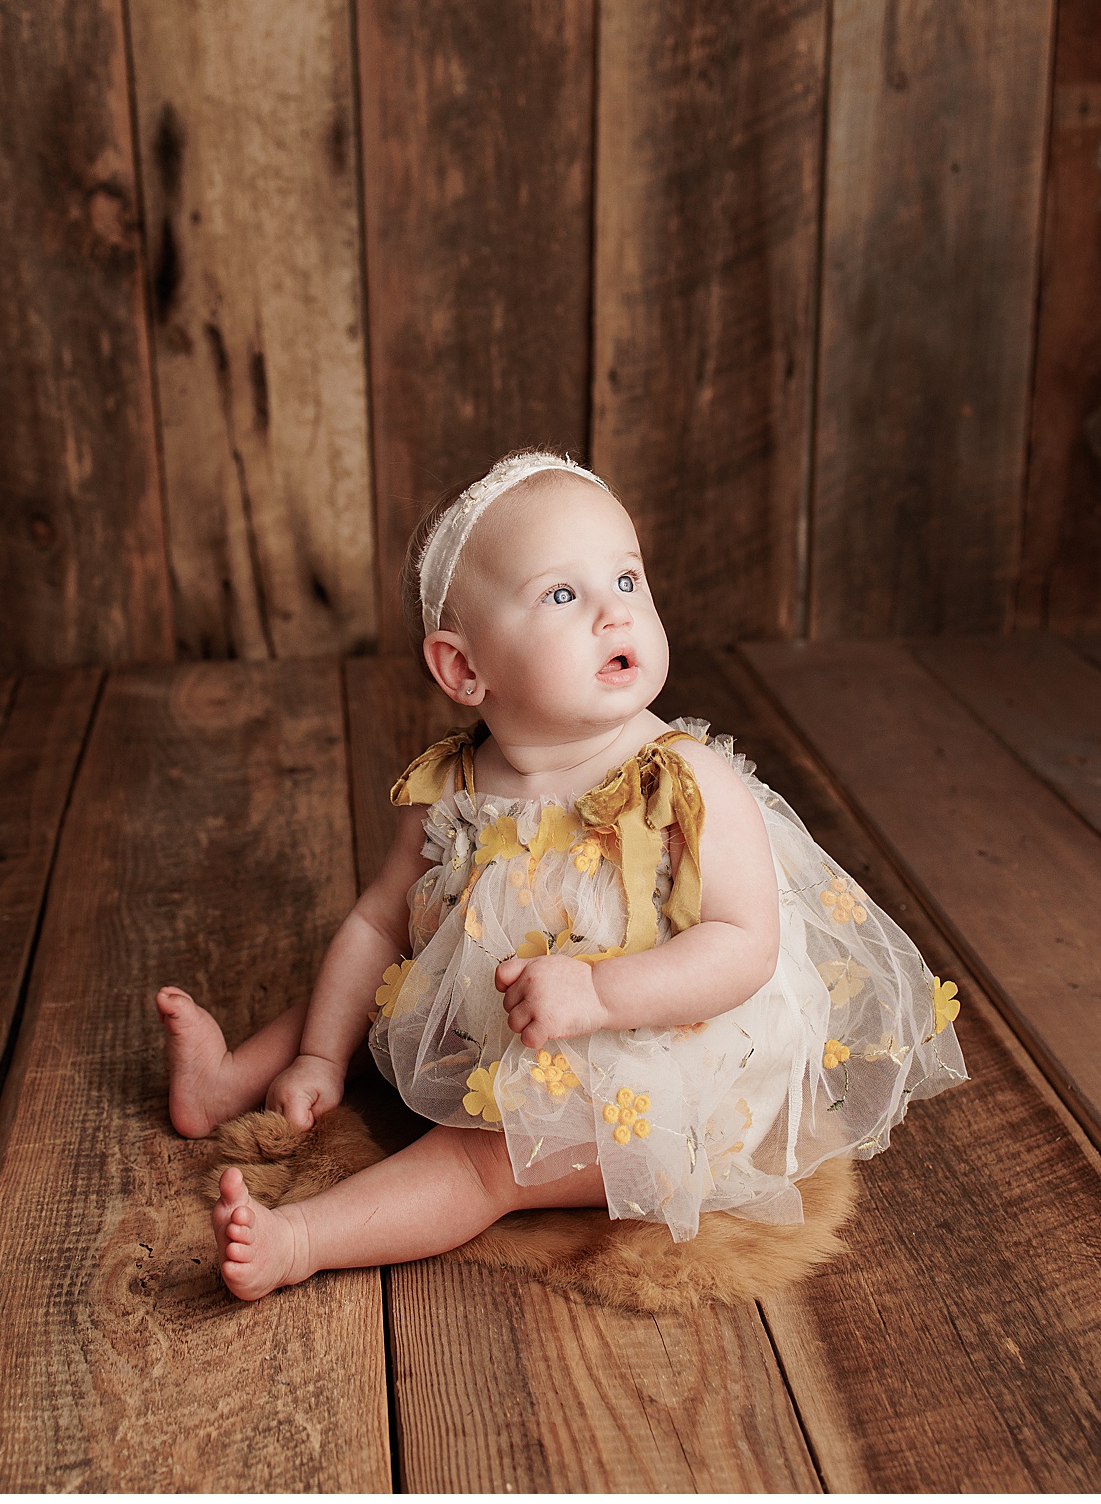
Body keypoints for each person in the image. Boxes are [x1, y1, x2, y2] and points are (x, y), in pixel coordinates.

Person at [158, 450, 965, 1300]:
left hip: (657, 1048)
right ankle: (224, 1084)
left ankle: (302, 1239)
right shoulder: (453, 793)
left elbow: (744, 946)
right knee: (378, 982)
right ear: (464, 668)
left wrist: (598, 996)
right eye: (562, 594)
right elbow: (375, 925)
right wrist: (324, 1054)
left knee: (487, 1162)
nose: (615, 615)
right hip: (512, 1007)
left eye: (626, 578)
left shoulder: (682, 785)